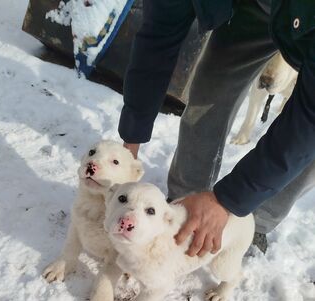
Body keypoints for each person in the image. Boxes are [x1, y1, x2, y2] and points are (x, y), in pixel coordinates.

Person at [118, 0, 315, 255]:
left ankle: (255, 224)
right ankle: (186, 202)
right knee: (211, 88)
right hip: (258, 8)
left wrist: (229, 200)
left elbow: (308, 124)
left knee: (307, 148)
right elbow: (158, 36)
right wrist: (130, 143)